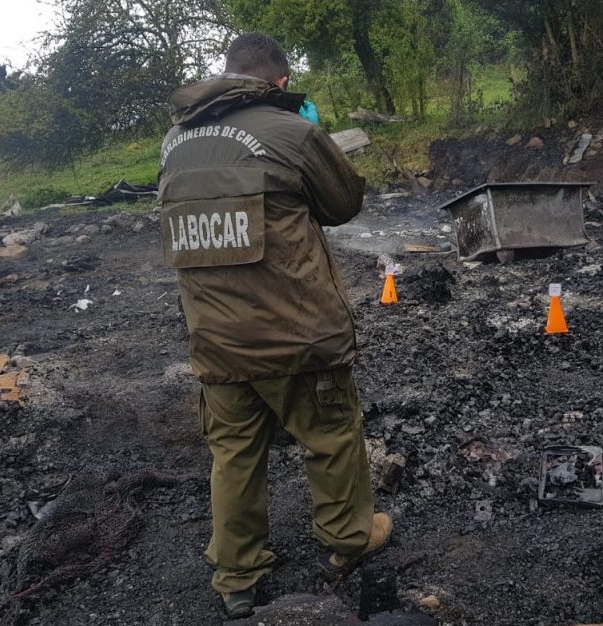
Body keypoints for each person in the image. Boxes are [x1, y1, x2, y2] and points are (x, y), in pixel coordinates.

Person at [157, 33, 392, 618]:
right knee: (331, 436)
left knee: (233, 454)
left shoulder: (174, 142)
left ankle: (237, 575)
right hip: (298, 336)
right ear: (279, 81)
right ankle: (347, 541)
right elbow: (343, 205)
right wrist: (312, 134)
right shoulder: (293, 132)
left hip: (216, 339)